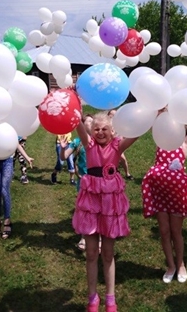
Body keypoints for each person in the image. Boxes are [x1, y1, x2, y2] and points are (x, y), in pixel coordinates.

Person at [72, 111, 139, 312]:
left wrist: (152, 115)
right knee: (91, 253)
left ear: (112, 131)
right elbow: (79, 128)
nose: (100, 132)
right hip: (91, 203)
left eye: (105, 129)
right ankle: (92, 297)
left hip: (110, 205)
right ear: (92, 132)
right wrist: (75, 114)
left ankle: (111, 299)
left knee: (108, 253)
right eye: (96, 129)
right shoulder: (89, 145)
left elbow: (135, 134)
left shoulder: (118, 146)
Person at [141, 123, 187, 283]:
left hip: (176, 196)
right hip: (160, 193)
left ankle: (180, 263)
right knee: (164, 231)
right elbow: (155, 120)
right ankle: (171, 265)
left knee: (176, 231)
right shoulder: (160, 143)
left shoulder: (184, 144)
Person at [60, 113, 94, 251]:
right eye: (87, 121)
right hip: (83, 182)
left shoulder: (100, 140)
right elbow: (64, 156)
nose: (90, 123)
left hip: (99, 182)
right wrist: (63, 148)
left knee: (97, 210)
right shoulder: (77, 141)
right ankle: (84, 237)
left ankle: (98, 238)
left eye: (92, 121)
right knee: (84, 210)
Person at [108, 109, 133, 180]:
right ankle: (114, 170)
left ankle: (127, 174)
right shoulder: (107, 126)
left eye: (114, 115)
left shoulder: (120, 125)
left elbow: (124, 134)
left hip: (118, 145)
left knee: (123, 159)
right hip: (109, 145)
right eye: (111, 116)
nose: (113, 117)